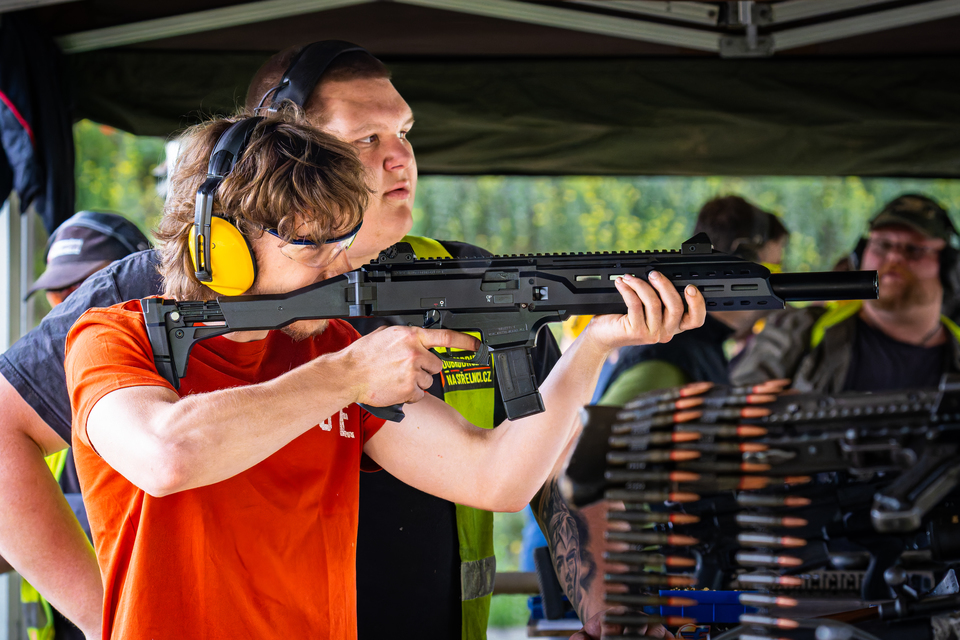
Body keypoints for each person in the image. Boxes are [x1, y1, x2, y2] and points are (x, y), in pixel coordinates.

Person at [0, 42, 706, 640]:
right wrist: (105, 614)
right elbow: (165, 454)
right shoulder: (126, 320)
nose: (399, 159)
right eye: (365, 139)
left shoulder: (349, 332)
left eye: (405, 133)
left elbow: (499, 477)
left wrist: (595, 346)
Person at [0, 211, 150, 640]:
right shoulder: (34, 412)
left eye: (84, 285)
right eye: (57, 291)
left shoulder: (166, 394)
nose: (70, 304)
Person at [731, 194, 960, 392]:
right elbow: (733, 410)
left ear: (949, 267)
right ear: (861, 256)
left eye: (914, 249)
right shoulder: (796, 332)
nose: (894, 258)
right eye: (882, 245)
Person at [593, 196, 789, 405]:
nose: (777, 285)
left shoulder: (699, 346)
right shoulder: (669, 356)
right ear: (740, 265)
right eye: (773, 270)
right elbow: (601, 424)